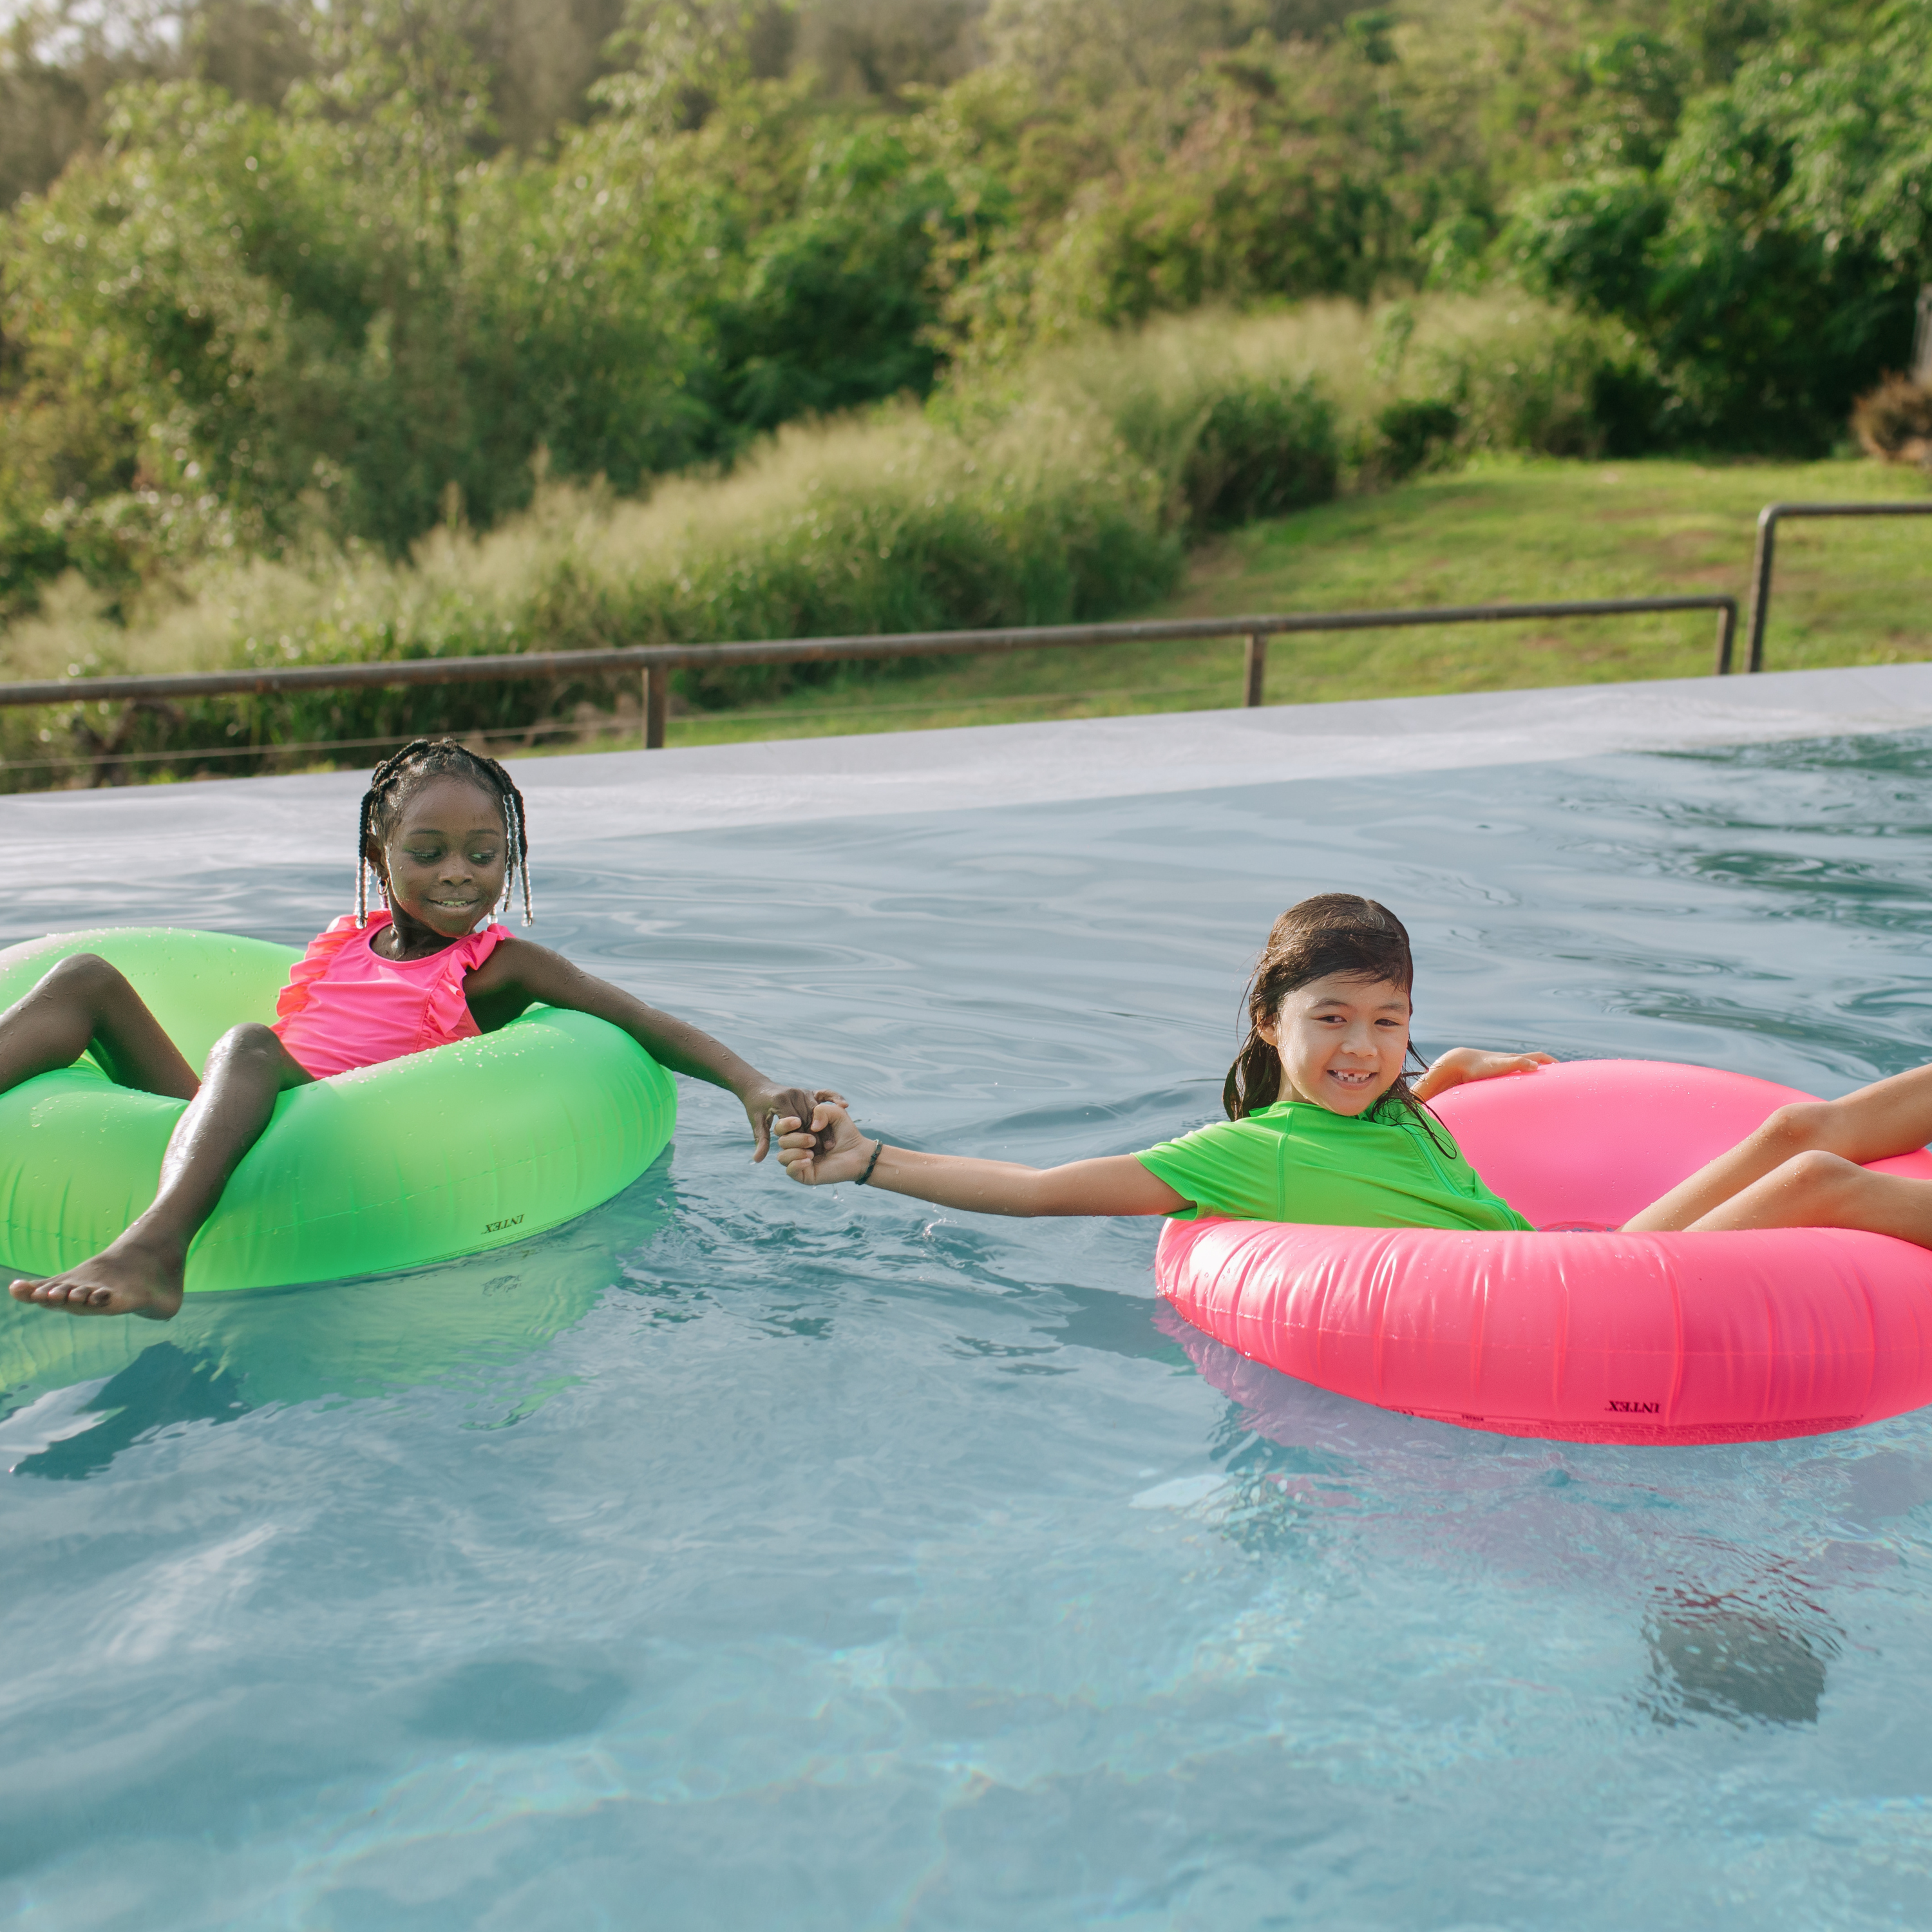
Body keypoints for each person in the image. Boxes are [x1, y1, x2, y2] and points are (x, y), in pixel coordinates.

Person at [6, 738, 838, 1321]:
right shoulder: (347, 940)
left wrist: (752, 1084)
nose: (457, 875)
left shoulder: (497, 968)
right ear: (379, 853)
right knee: (86, 980)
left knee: (247, 1045)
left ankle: (154, 1253)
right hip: (242, 1115)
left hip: (327, 1136)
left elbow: (636, 1017)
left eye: (483, 855)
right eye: (429, 851)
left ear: (508, 861)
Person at [774, 892, 1932, 1248]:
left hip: (1574, 1260)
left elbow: (1385, 1121)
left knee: (1792, 1132)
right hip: (1575, 1298)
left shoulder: (1393, 1104)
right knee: (1813, 1182)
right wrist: (869, 1159)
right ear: (1271, 1019)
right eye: (1333, 1019)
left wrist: (1455, 1072)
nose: (1364, 1048)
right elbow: (1035, 1188)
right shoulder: (1245, 1158)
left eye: (1391, 1020)